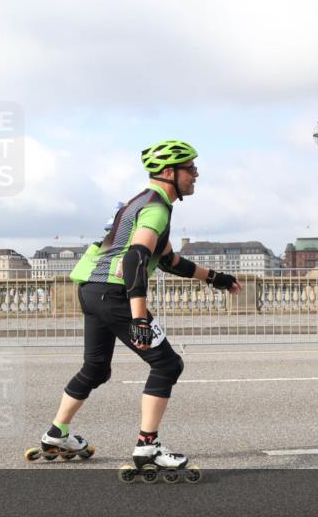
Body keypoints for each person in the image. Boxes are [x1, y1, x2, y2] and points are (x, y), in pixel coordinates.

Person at [30, 140, 243, 473]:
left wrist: (214, 277)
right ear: (170, 173)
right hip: (115, 293)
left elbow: (168, 260)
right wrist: (139, 317)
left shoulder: (140, 203)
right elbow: (135, 258)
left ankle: (57, 433)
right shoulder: (156, 208)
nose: (196, 174)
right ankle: (148, 446)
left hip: (92, 289)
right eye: (190, 168)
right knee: (167, 365)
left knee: (96, 369)